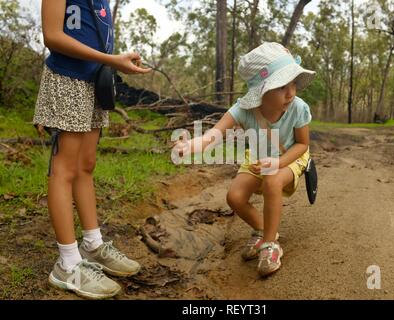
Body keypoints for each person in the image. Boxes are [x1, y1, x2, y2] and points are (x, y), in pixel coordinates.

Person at [34, 0, 151, 299]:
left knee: (86, 165)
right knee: (64, 169)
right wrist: (113, 60)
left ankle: (93, 244)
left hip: (93, 84)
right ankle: (68, 263)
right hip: (68, 80)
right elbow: (53, 36)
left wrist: (113, 62)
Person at [174, 42, 316, 277]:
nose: (291, 92)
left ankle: (271, 244)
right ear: (261, 90)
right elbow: (212, 136)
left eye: (293, 83)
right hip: (259, 156)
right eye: (282, 86)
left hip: (290, 157)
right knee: (235, 197)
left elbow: (303, 144)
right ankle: (262, 230)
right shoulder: (242, 110)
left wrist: (279, 163)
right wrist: (189, 145)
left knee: (271, 180)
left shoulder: (298, 108)